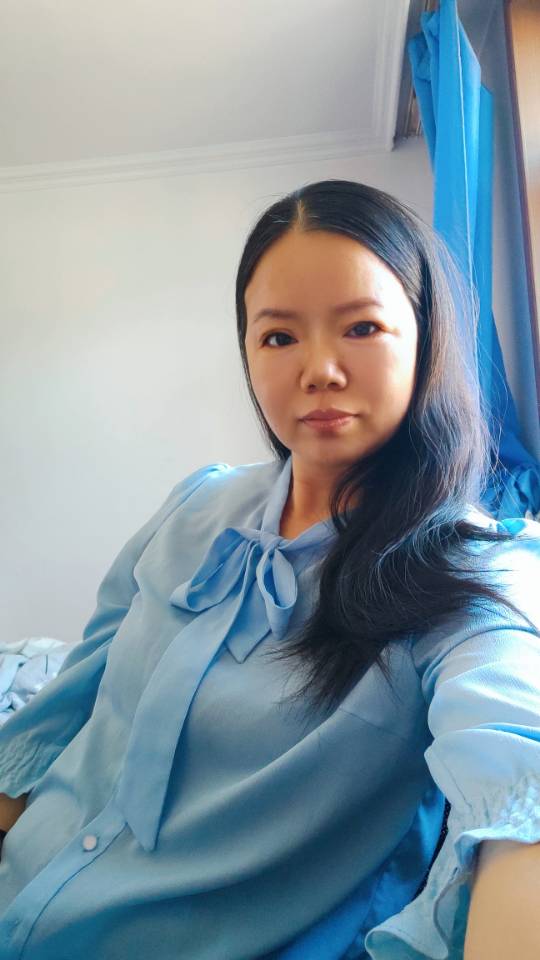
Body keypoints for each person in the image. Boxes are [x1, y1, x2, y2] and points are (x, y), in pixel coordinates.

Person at [0, 179, 539, 960]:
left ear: (425, 341)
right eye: (279, 337)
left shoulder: (474, 575)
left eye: (361, 327)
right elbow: (69, 706)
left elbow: (518, 781)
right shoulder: (196, 503)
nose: (319, 369)